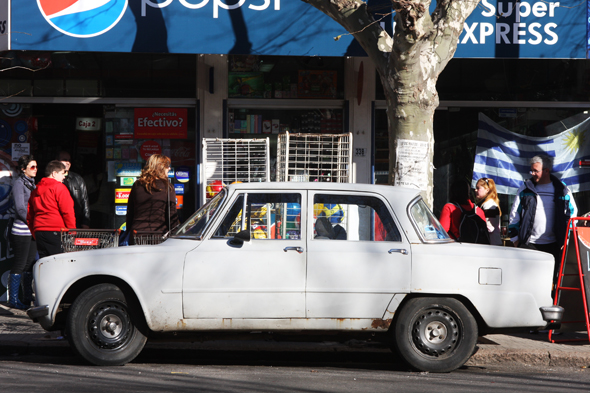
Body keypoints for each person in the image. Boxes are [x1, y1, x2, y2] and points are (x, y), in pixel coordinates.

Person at [509, 155, 577, 287]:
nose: (532, 173)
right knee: (527, 281)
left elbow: (573, 213)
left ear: (546, 171)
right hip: (529, 244)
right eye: (531, 171)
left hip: (554, 244)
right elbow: (514, 214)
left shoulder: (561, 189)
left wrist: (566, 238)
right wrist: (515, 239)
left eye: (536, 171)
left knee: (551, 281)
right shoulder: (525, 188)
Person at [125, 154, 179, 245]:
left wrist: (129, 231)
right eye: (167, 166)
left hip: (137, 234)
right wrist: (176, 235)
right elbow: (172, 214)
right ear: (161, 167)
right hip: (159, 235)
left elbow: (130, 212)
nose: (169, 168)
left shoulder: (137, 185)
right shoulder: (168, 187)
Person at [27, 160, 76, 258]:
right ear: (54, 173)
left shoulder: (35, 190)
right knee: (57, 262)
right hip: (56, 230)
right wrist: (72, 231)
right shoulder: (59, 187)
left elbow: (29, 214)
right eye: (62, 173)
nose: (64, 176)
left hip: (39, 231)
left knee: (44, 262)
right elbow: (67, 211)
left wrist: (34, 231)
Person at [7, 155, 37, 309]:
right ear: (23, 169)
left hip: (31, 230)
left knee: (29, 264)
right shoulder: (20, 183)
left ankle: (26, 298)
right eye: (32, 167)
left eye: (36, 166)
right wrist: (33, 222)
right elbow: (20, 208)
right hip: (21, 230)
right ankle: (13, 300)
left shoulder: (32, 184)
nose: (35, 170)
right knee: (20, 264)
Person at [57, 151, 90, 228]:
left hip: (75, 220)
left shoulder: (77, 179)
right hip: (57, 220)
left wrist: (86, 222)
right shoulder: (52, 178)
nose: (68, 163)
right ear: (57, 161)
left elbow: (84, 201)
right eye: (65, 160)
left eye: (69, 160)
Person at [474, 177, 502, 246]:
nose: (475, 190)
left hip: (491, 244)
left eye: (478, 188)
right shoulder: (486, 203)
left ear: (487, 190)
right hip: (491, 243)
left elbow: (490, 227)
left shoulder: (489, 205)